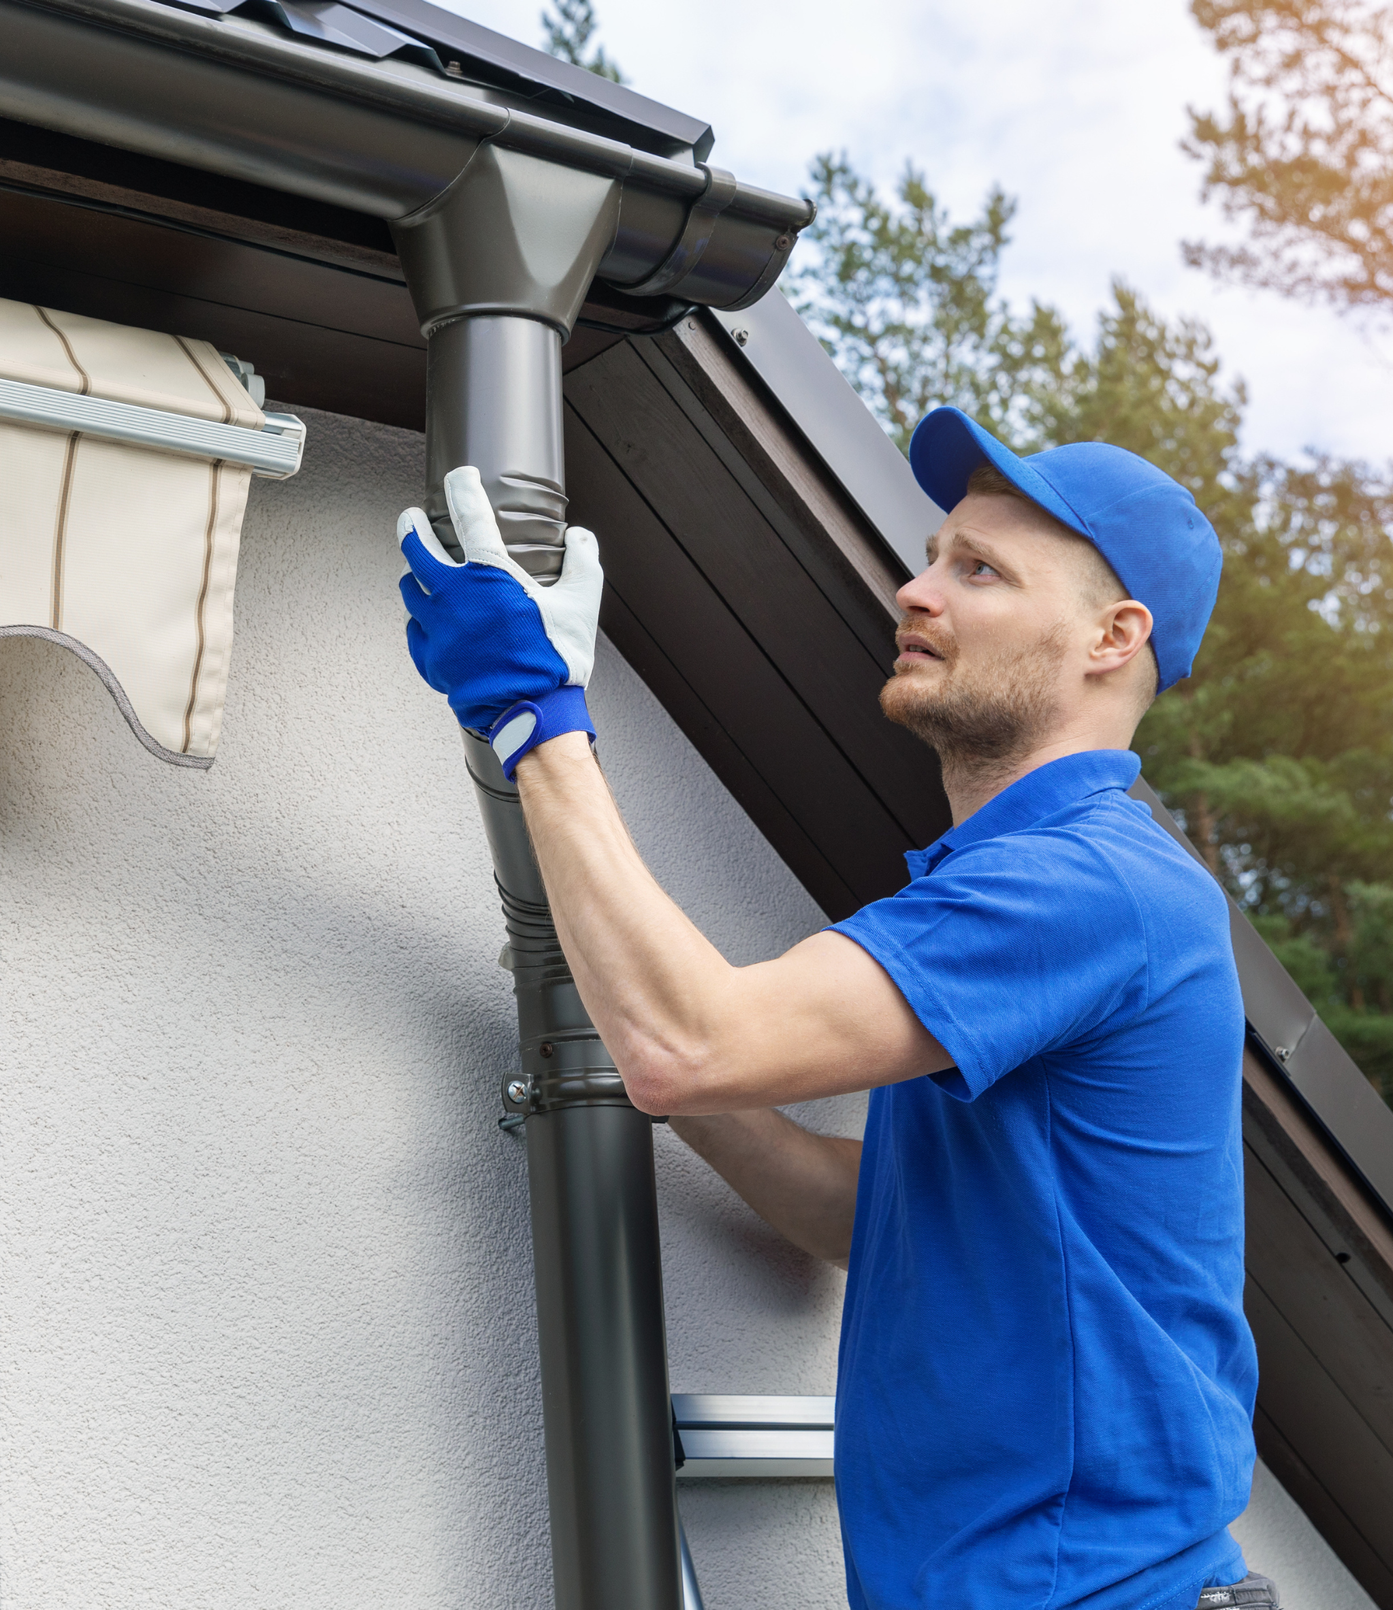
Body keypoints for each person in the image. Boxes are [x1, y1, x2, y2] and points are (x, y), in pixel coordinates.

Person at [397, 405, 1277, 1610]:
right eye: (930, 555)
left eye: (978, 570)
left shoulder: (1086, 883)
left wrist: (533, 715)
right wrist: (614, 1003)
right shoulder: (1011, 886)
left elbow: (692, 1043)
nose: (915, 592)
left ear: (1112, 637)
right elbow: (850, 1211)